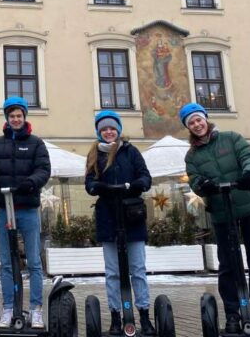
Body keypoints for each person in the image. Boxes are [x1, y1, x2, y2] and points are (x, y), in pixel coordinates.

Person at [180, 102, 250, 334]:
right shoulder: (192, 155)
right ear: (188, 127)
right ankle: (233, 314)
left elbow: (248, 156)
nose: (196, 124)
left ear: (205, 119)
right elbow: (194, 179)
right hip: (222, 212)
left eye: (198, 119)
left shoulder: (231, 138)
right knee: (227, 266)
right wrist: (203, 184)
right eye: (191, 123)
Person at [0, 96, 50, 328]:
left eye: (19, 115)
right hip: (4, 210)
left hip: (28, 208)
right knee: (7, 263)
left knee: (34, 262)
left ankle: (36, 309)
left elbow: (43, 168)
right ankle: (8, 308)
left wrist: (32, 182)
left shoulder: (36, 143)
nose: (16, 119)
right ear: (7, 119)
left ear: (24, 117)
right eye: (12, 116)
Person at [84, 110, 156, 336]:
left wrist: (137, 185)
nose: (108, 132)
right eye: (104, 129)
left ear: (118, 130)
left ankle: (144, 315)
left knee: (138, 269)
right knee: (113, 271)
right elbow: (89, 182)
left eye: (112, 128)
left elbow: (145, 176)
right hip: (107, 216)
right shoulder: (95, 154)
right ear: (99, 131)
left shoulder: (130, 151)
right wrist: (98, 187)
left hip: (131, 215)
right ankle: (116, 317)